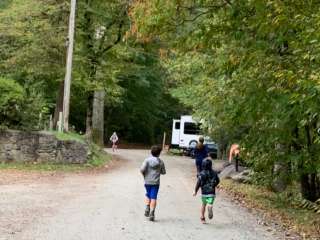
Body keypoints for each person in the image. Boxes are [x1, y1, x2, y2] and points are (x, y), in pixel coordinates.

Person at [140, 145, 166, 221]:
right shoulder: (160, 162)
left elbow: (141, 170)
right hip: (155, 182)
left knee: (148, 194)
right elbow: (163, 172)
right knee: (153, 197)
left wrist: (144, 176)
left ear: (151, 152)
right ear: (159, 153)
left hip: (147, 181)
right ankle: (152, 213)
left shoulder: (147, 160)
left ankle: (147, 207)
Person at [193, 158, 220, 224]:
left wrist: (195, 191)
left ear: (203, 165)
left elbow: (198, 183)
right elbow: (218, 181)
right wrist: (214, 185)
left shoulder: (201, 174)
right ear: (211, 165)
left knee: (203, 205)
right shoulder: (214, 173)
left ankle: (202, 218)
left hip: (204, 193)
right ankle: (210, 206)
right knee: (210, 203)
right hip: (211, 192)